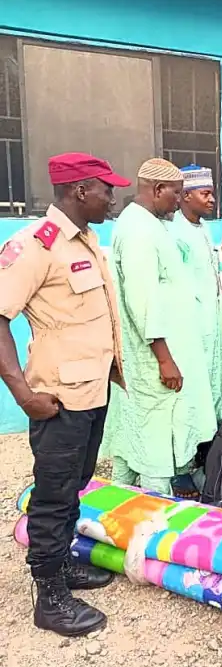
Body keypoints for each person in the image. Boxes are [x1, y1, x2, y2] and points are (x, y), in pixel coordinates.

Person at [0, 152, 130, 637]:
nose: (112, 197)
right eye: (105, 189)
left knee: (74, 484)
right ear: (80, 190)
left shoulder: (87, 241)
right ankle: (49, 598)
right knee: (53, 496)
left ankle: (64, 564)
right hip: (55, 397)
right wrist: (22, 393)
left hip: (92, 389)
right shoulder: (36, 244)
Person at [101, 159, 217, 493]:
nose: (179, 201)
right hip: (154, 356)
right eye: (176, 194)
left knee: (138, 431)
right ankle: (156, 515)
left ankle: (118, 499)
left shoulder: (149, 224)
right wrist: (165, 358)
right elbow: (143, 302)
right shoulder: (138, 231)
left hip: (165, 350)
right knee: (155, 440)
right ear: (157, 190)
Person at [169, 165, 222, 423]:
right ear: (185, 196)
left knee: (214, 382)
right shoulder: (174, 232)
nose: (212, 199)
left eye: (212, 193)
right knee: (193, 387)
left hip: (211, 322)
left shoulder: (203, 227)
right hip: (190, 326)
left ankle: (213, 446)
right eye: (205, 193)